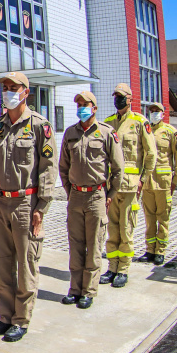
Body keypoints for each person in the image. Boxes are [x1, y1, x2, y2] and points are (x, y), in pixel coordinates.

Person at [0, 72, 56, 342]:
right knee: (2, 265)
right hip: (1, 201)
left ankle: (21, 319)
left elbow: (48, 168)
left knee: (26, 264)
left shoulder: (39, 125)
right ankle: (5, 316)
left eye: (14, 88)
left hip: (26, 203)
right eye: (5, 87)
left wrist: (41, 207)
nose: (9, 92)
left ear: (26, 92)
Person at [58, 92, 123, 309]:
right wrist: (69, 191)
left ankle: (89, 291)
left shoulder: (106, 133)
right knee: (76, 245)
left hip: (97, 196)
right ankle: (75, 289)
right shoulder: (70, 133)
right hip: (76, 196)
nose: (81, 108)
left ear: (94, 108)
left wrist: (110, 195)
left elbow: (118, 168)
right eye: (78, 104)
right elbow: (63, 167)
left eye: (85, 104)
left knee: (94, 245)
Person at [102, 84, 156, 288]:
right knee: (112, 230)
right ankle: (112, 267)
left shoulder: (140, 122)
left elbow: (151, 154)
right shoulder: (107, 123)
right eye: (115, 95)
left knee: (126, 228)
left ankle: (123, 269)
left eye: (121, 96)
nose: (118, 99)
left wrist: (143, 179)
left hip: (131, 186)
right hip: (111, 187)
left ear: (130, 99)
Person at [137, 102, 177, 266]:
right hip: (148, 183)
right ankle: (150, 250)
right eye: (152, 111)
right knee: (149, 219)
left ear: (163, 113)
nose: (154, 113)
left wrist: (175, 179)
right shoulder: (146, 130)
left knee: (163, 219)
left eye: (157, 111)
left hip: (164, 183)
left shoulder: (171, 132)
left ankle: (160, 251)